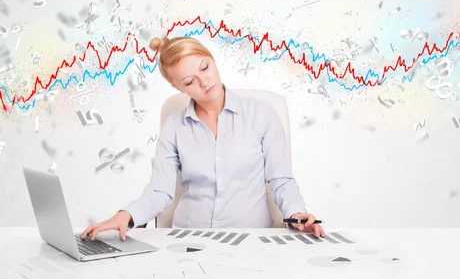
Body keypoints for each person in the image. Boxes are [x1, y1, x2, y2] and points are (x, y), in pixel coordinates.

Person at [81, 36, 325, 241]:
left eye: (205, 67)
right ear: (179, 88)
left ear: (212, 59)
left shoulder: (262, 114)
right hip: (188, 240)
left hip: (250, 241)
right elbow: (159, 190)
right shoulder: (175, 125)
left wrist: (297, 214)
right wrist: (125, 215)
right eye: (189, 81)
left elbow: (281, 180)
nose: (204, 81)